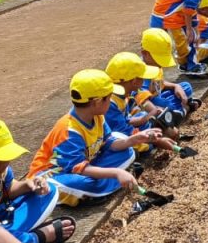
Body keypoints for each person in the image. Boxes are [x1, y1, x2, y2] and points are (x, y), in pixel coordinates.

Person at [30, 70, 154, 207]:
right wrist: (116, 172)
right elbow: (77, 168)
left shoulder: (98, 116)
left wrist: (133, 140)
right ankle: (103, 186)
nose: (112, 100)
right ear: (97, 102)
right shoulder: (68, 130)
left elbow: (109, 142)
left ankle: (102, 186)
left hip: (85, 164)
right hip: (54, 173)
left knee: (128, 151)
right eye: (109, 97)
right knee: (86, 184)